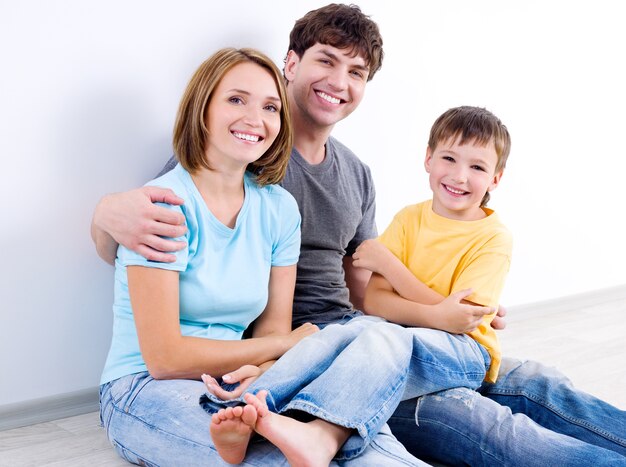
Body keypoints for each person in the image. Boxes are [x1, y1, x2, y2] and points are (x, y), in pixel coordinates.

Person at [92, 3, 626, 465]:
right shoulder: (240, 156)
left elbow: (364, 287)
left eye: (356, 72)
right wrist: (104, 213)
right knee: (494, 430)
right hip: (304, 357)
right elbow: (148, 239)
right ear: (291, 64)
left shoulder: (353, 174)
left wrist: (450, 309)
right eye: (326, 60)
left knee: (535, 381)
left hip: (358, 340)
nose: (339, 82)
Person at [98, 46, 428, 467]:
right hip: (145, 388)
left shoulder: (278, 208)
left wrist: (268, 367)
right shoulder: (163, 206)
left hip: (245, 379)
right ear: (202, 108)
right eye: (236, 100)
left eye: (271, 106)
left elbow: (271, 330)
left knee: (383, 339)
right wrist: (283, 346)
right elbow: (165, 358)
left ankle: (321, 436)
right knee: (280, 457)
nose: (255, 119)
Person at [356, 105, 512, 386]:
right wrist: (439, 314)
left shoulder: (493, 237)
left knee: (378, 348)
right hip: (402, 336)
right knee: (352, 334)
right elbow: (375, 301)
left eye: (477, 167)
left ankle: (322, 426)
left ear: (495, 179)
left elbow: (461, 319)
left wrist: (389, 267)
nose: (459, 176)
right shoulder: (408, 219)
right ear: (429, 158)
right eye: (449, 158)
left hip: (466, 351)